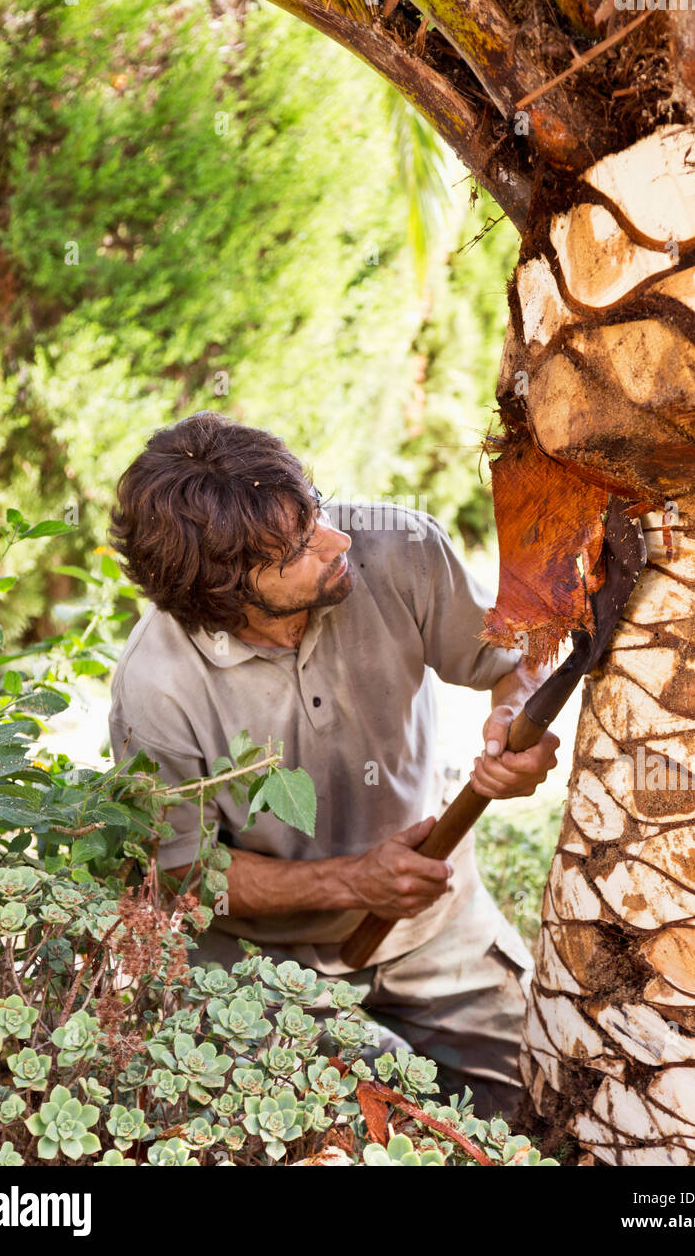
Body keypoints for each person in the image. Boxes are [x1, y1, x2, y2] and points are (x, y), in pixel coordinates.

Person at [108, 412, 559, 1118]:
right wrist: (354, 880)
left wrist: (513, 715)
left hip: (437, 927)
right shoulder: (154, 684)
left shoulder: (398, 547)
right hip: (261, 964)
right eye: (296, 549)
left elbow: (516, 658)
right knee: (327, 1136)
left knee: (547, 1104)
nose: (336, 540)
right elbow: (181, 872)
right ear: (224, 594)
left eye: (313, 509)